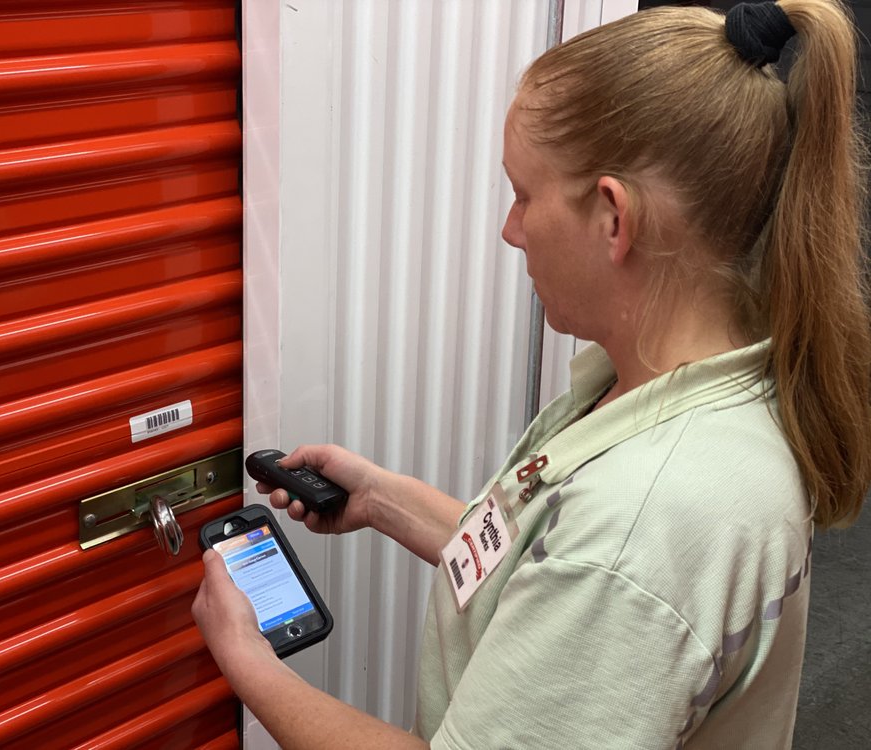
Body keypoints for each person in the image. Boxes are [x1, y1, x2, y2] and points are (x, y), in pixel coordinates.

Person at [192, 0, 871, 746]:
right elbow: (546, 563)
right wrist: (382, 499)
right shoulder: (674, 387)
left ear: (614, 218)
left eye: (524, 195)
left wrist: (247, 659)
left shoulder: (642, 525)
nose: (510, 230)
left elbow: (593, 567)